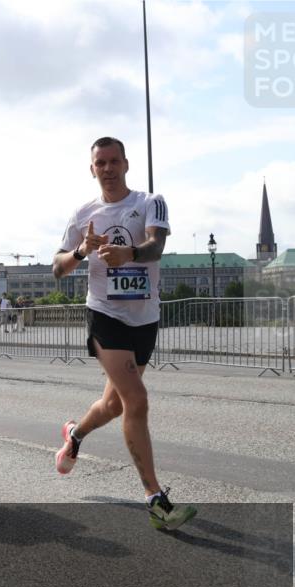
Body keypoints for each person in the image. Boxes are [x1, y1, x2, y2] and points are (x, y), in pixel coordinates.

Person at [52, 136, 196, 531]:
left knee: (115, 406)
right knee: (137, 400)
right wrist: (81, 251)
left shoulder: (150, 202)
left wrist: (127, 254)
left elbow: (156, 246)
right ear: (92, 169)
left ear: (126, 164)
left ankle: (75, 434)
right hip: (105, 315)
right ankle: (156, 500)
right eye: (101, 162)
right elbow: (58, 269)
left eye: (115, 161)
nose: (109, 168)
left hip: (145, 317)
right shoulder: (82, 213)